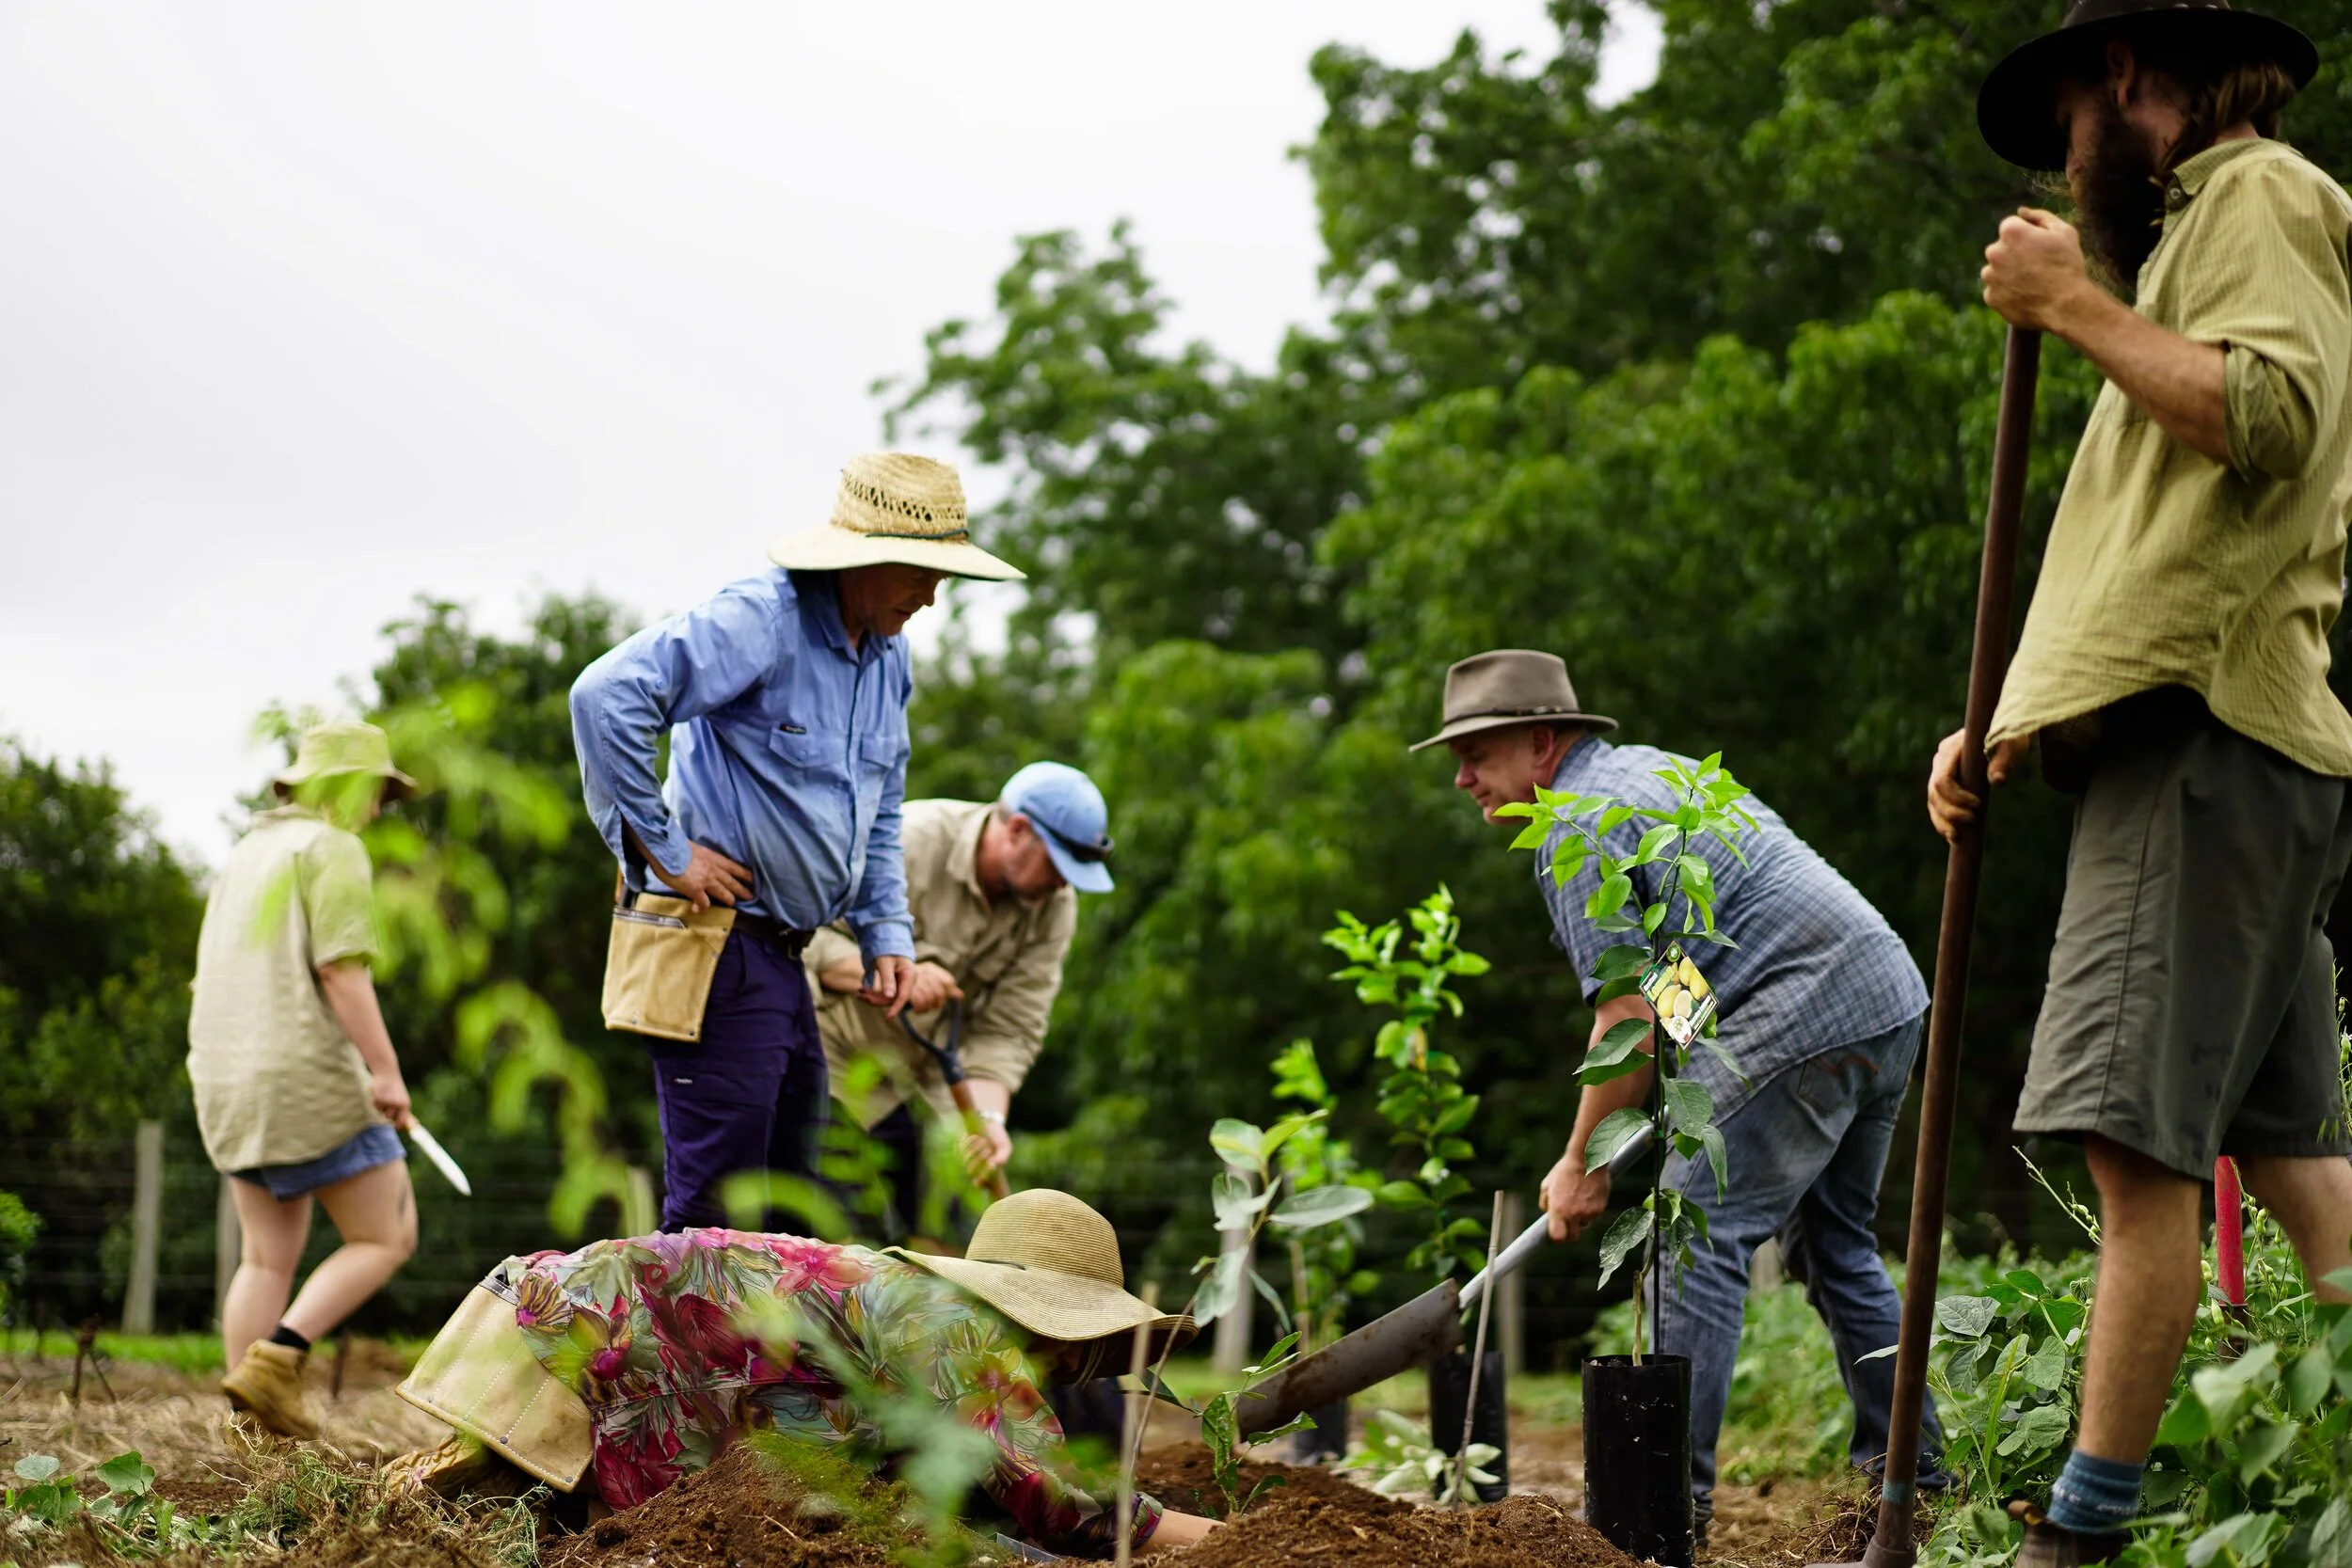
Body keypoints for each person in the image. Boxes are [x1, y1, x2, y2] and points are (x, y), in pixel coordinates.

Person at [1938, 3, 2352, 1558]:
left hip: (2199, 752)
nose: (2067, 159)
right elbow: (2156, 548)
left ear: (2125, 82)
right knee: (2307, 1174)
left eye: (2067, 120)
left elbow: (2270, 413)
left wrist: (2070, 306)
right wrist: (2010, 713)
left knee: (2137, 1152)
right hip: (2246, 742)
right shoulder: (2202, 240)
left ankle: (2079, 1534)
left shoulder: (2252, 193)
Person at [1421, 649, 1944, 1544]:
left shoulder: (1573, 828)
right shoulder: (1647, 775)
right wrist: (1681, 1103)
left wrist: (1583, 1162)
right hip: (1885, 991)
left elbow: (1625, 1012)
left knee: (1695, 1233)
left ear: (1542, 742)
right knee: (1834, 1245)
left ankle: (1660, 1516)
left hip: (1804, 1001)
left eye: (1479, 752)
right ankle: (1915, 1484)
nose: (1463, 776)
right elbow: (1678, 985)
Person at [569, 453, 1021, 1232]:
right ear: (866, 559)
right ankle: (684, 1359)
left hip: (788, 961)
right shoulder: (762, 620)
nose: (934, 594)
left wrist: (888, 933)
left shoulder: (888, 656)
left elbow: (883, 808)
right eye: (922, 571)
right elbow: (606, 696)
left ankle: (762, 1360)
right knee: (716, 1212)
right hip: (712, 948)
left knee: (786, 1215)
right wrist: (665, 853)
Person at [387, 1189, 1219, 1559]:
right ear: (1056, 1329)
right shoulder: (961, 1336)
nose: (1075, 1367)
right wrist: (1232, 1545)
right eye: (1078, 1348)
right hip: (602, 1338)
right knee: (618, 1541)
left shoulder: (917, 1306)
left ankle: (432, 1505)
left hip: (576, 1311)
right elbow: (1069, 1509)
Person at [187, 721, 422, 1440]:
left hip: (226, 1075)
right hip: (304, 1077)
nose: (378, 809)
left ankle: (247, 1429)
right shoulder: (332, 847)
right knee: (387, 1235)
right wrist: (386, 1071)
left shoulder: (245, 854)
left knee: (264, 1256)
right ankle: (279, 1359)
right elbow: (339, 968)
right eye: (377, 791)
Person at [808, 762, 1115, 1240]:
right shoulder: (910, 841)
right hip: (833, 1061)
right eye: (1058, 866)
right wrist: (891, 970)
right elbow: (801, 936)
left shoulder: (1053, 907)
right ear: (1017, 830)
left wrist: (987, 1120)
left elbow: (1010, 1026)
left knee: (946, 1235)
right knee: (839, 1233)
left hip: (919, 1086)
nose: (1063, 884)